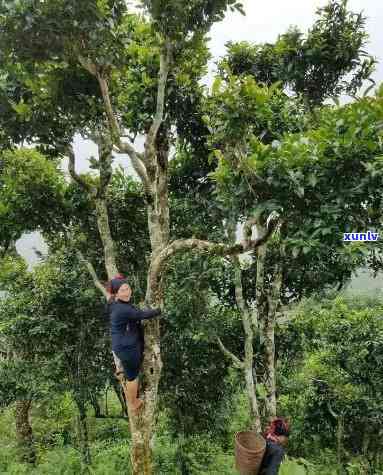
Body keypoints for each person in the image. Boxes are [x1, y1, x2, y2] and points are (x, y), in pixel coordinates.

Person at [105, 276, 161, 413]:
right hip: (127, 350)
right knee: (132, 377)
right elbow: (143, 314)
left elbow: (109, 294)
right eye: (123, 290)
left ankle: (121, 369)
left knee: (127, 370)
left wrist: (116, 280)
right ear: (117, 293)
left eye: (128, 288)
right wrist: (159, 310)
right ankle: (133, 403)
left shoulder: (113, 303)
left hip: (118, 344)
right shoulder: (124, 310)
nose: (127, 292)